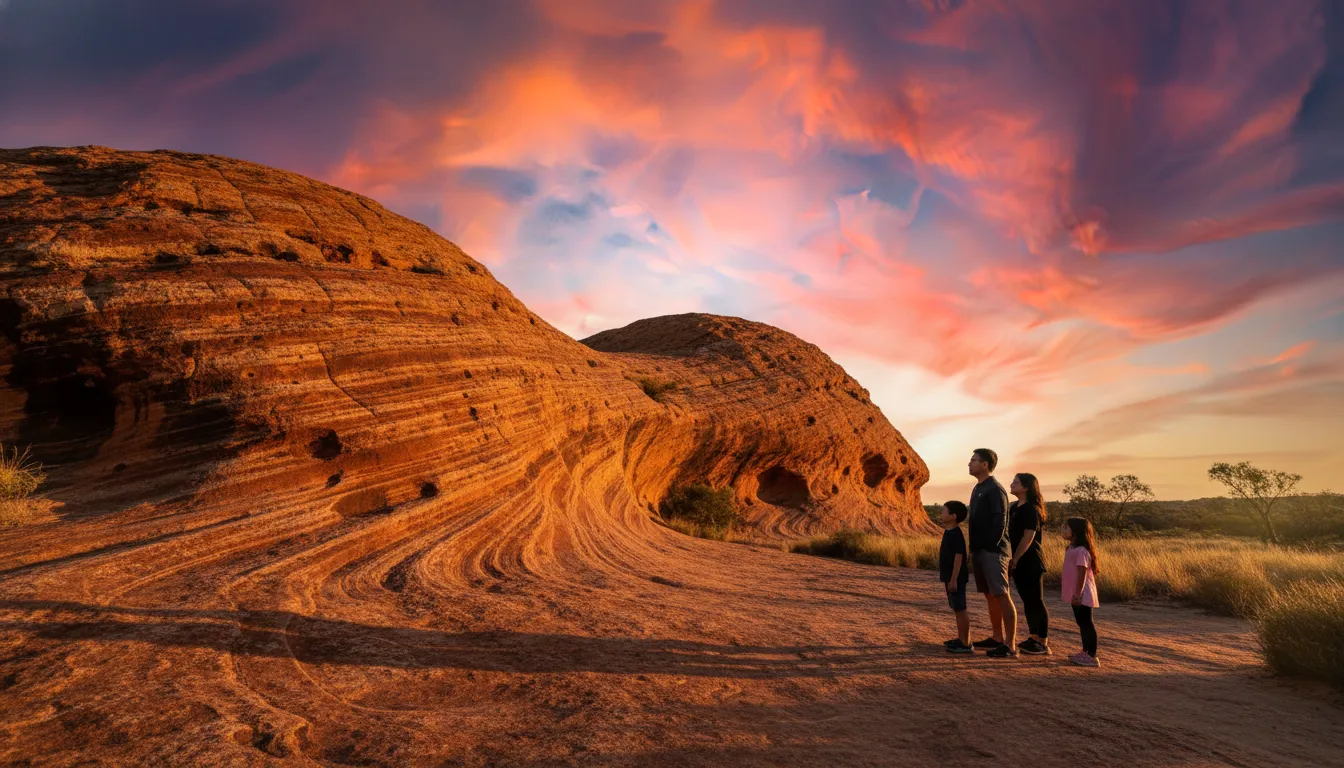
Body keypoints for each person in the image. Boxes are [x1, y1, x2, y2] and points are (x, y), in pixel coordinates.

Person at [966, 448, 1018, 658]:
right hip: (980, 550)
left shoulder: (995, 489)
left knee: (1002, 594)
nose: (969, 463)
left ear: (985, 464)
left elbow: (1000, 520)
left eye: (973, 460)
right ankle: (996, 638)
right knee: (990, 595)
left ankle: (1010, 645)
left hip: (994, 551)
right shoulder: (978, 488)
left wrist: (989, 545)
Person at [1009, 473, 1050, 655]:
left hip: (1031, 560)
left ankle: (1042, 642)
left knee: (1036, 601)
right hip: (1018, 560)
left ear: (1025, 487)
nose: (1012, 484)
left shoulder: (1031, 509)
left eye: (1016, 482)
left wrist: (1016, 558)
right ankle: (1033, 637)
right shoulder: (1014, 508)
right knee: (1027, 601)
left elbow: (1028, 536)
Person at [1062, 517, 1101, 667]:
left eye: (1067, 528)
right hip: (1076, 593)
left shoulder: (1081, 551)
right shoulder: (1072, 548)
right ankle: (1085, 652)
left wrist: (1077, 594)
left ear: (1076, 531)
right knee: (1081, 622)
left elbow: (1082, 572)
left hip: (1082, 593)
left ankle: (1091, 655)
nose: (1064, 530)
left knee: (1086, 623)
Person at [938, 501, 973, 654]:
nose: (941, 514)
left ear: (953, 516)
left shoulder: (956, 534)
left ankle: (966, 643)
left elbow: (959, 558)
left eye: (944, 511)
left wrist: (953, 579)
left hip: (956, 578)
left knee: (960, 608)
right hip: (950, 576)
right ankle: (962, 639)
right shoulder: (949, 531)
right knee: (956, 608)